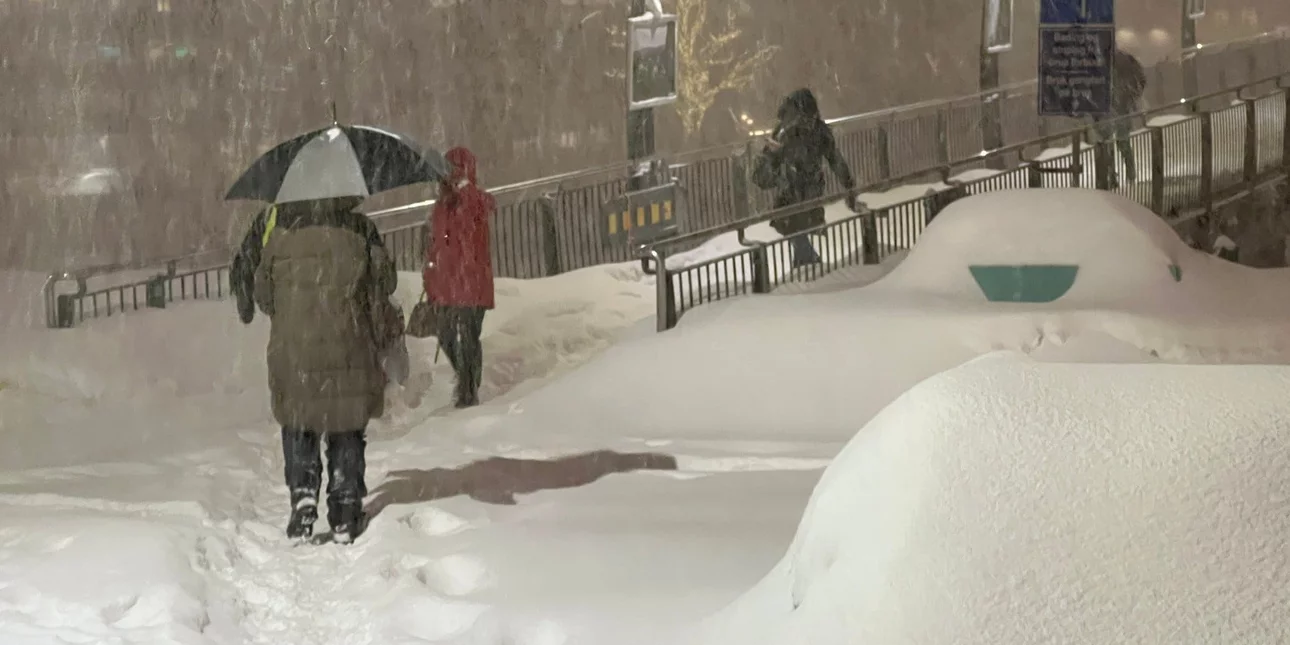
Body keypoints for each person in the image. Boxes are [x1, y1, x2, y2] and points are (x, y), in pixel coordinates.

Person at [253, 196, 396, 544]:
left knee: (299, 422)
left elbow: (263, 296)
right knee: (345, 423)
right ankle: (345, 508)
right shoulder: (360, 230)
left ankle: (302, 495)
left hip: (294, 348)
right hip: (348, 341)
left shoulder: (280, 238)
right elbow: (384, 283)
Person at [751, 88, 858, 269]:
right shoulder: (812, 129)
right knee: (794, 226)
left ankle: (808, 264)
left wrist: (776, 154)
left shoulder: (794, 129)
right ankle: (805, 265)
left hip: (797, 187)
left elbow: (823, 157)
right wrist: (848, 183)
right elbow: (833, 158)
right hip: (802, 186)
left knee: (792, 226)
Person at [423, 147, 495, 408]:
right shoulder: (442, 206)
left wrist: (463, 188)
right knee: (445, 333)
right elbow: (437, 243)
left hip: (471, 281)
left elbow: (478, 211)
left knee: (468, 334)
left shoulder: (472, 200)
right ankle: (466, 378)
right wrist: (430, 276)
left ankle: (468, 389)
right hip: (448, 282)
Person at [1095, 47, 1148, 188]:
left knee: (1109, 143)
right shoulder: (1125, 60)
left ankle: (1113, 176)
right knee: (1122, 142)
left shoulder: (1100, 63)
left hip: (1109, 109)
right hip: (1120, 108)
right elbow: (1141, 80)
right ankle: (1128, 175)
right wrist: (1131, 96)